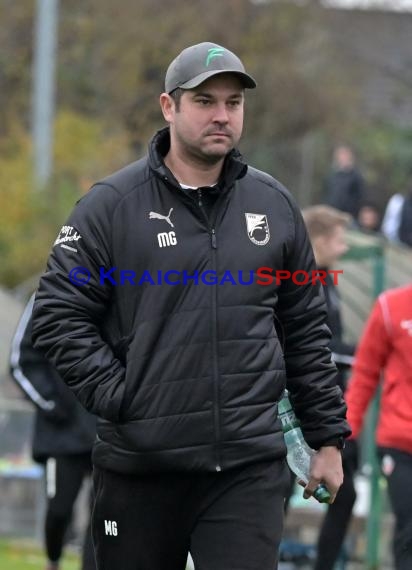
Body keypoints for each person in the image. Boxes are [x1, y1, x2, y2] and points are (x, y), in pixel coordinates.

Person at [31, 41, 350, 570]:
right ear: (168, 107)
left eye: (233, 102)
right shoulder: (111, 206)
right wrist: (123, 396)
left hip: (248, 469)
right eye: (205, 101)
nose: (221, 115)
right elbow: (58, 314)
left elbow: (305, 330)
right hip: (141, 469)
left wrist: (327, 439)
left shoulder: (274, 205)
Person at [10, 294, 97, 570]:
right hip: (62, 433)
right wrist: (52, 404)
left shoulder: (119, 283)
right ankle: (53, 561)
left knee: (103, 516)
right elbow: (22, 361)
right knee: (59, 510)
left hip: (107, 432)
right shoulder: (48, 293)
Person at [301, 205, 358, 570]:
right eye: (339, 239)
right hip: (303, 409)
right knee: (275, 493)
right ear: (320, 240)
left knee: (344, 493)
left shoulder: (326, 281)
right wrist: (363, 354)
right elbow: (315, 345)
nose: (345, 247)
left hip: (330, 405)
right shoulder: (302, 283)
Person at [345, 282, 412, 570]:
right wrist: (346, 430)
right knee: (410, 525)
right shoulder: (391, 306)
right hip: (400, 442)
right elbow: (365, 372)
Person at [323, 144, 366, 221]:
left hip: (347, 216)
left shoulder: (356, 176)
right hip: (331, 214)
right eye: (340, 154)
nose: (342, 157)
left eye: (344, 154)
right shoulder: (333, 175)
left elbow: (359, 197)